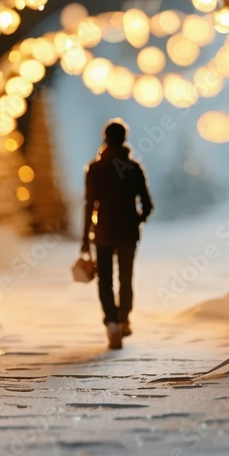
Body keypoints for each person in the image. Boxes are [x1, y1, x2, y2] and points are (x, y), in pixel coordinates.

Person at [82, 119, 154, 350]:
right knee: (125, 278)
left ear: (105, 139)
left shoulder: (94, 168)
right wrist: (136, 220)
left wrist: (85, 238)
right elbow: (148, 205)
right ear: (124, 140)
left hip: (102, 231)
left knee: (105, 281)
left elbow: (89, 204)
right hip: (127, 234)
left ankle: (112, 325)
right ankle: (124, 318)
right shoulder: (134, 169)